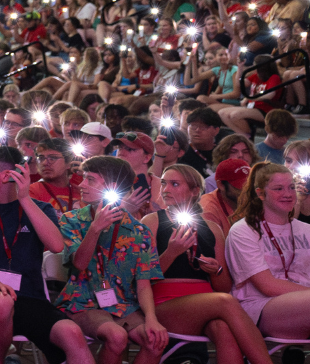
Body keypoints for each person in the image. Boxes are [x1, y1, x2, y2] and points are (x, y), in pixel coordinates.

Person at [0, 147, 89, 364]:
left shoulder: (40, 208)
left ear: (7, 176)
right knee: (0, 302)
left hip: (29, 297)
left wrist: (25, 199)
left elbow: (55, 245)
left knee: (72, 334)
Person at [144, 164, 272, 364]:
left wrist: (215, 271)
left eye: (174, 184)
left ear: (195, 191)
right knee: (225, 302)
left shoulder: (212, 228)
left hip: (206, 303)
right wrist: (171, 252)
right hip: (165, 304)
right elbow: (143, 279)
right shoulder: (152, 221)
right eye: (163, 184)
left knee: (223, 329)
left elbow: (223, 286)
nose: (166, 189)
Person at [56, 156, 169, 364]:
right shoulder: (71, 220)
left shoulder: (139, 231)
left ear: (112, 186)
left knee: (156, 340)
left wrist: (152, 319)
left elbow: (143, 284)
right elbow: (79, 264)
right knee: (117, 337)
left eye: (90, 180)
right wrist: (95, 228)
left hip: (124, 305)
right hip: (83, 302)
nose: (81, 184)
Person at [224, 162, 310, 340]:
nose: (287, 194)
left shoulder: (305, 229)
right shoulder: (244, 230)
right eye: (278, 188)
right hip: (260, 306)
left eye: (291, 187)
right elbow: (267, 286)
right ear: (260, 193)